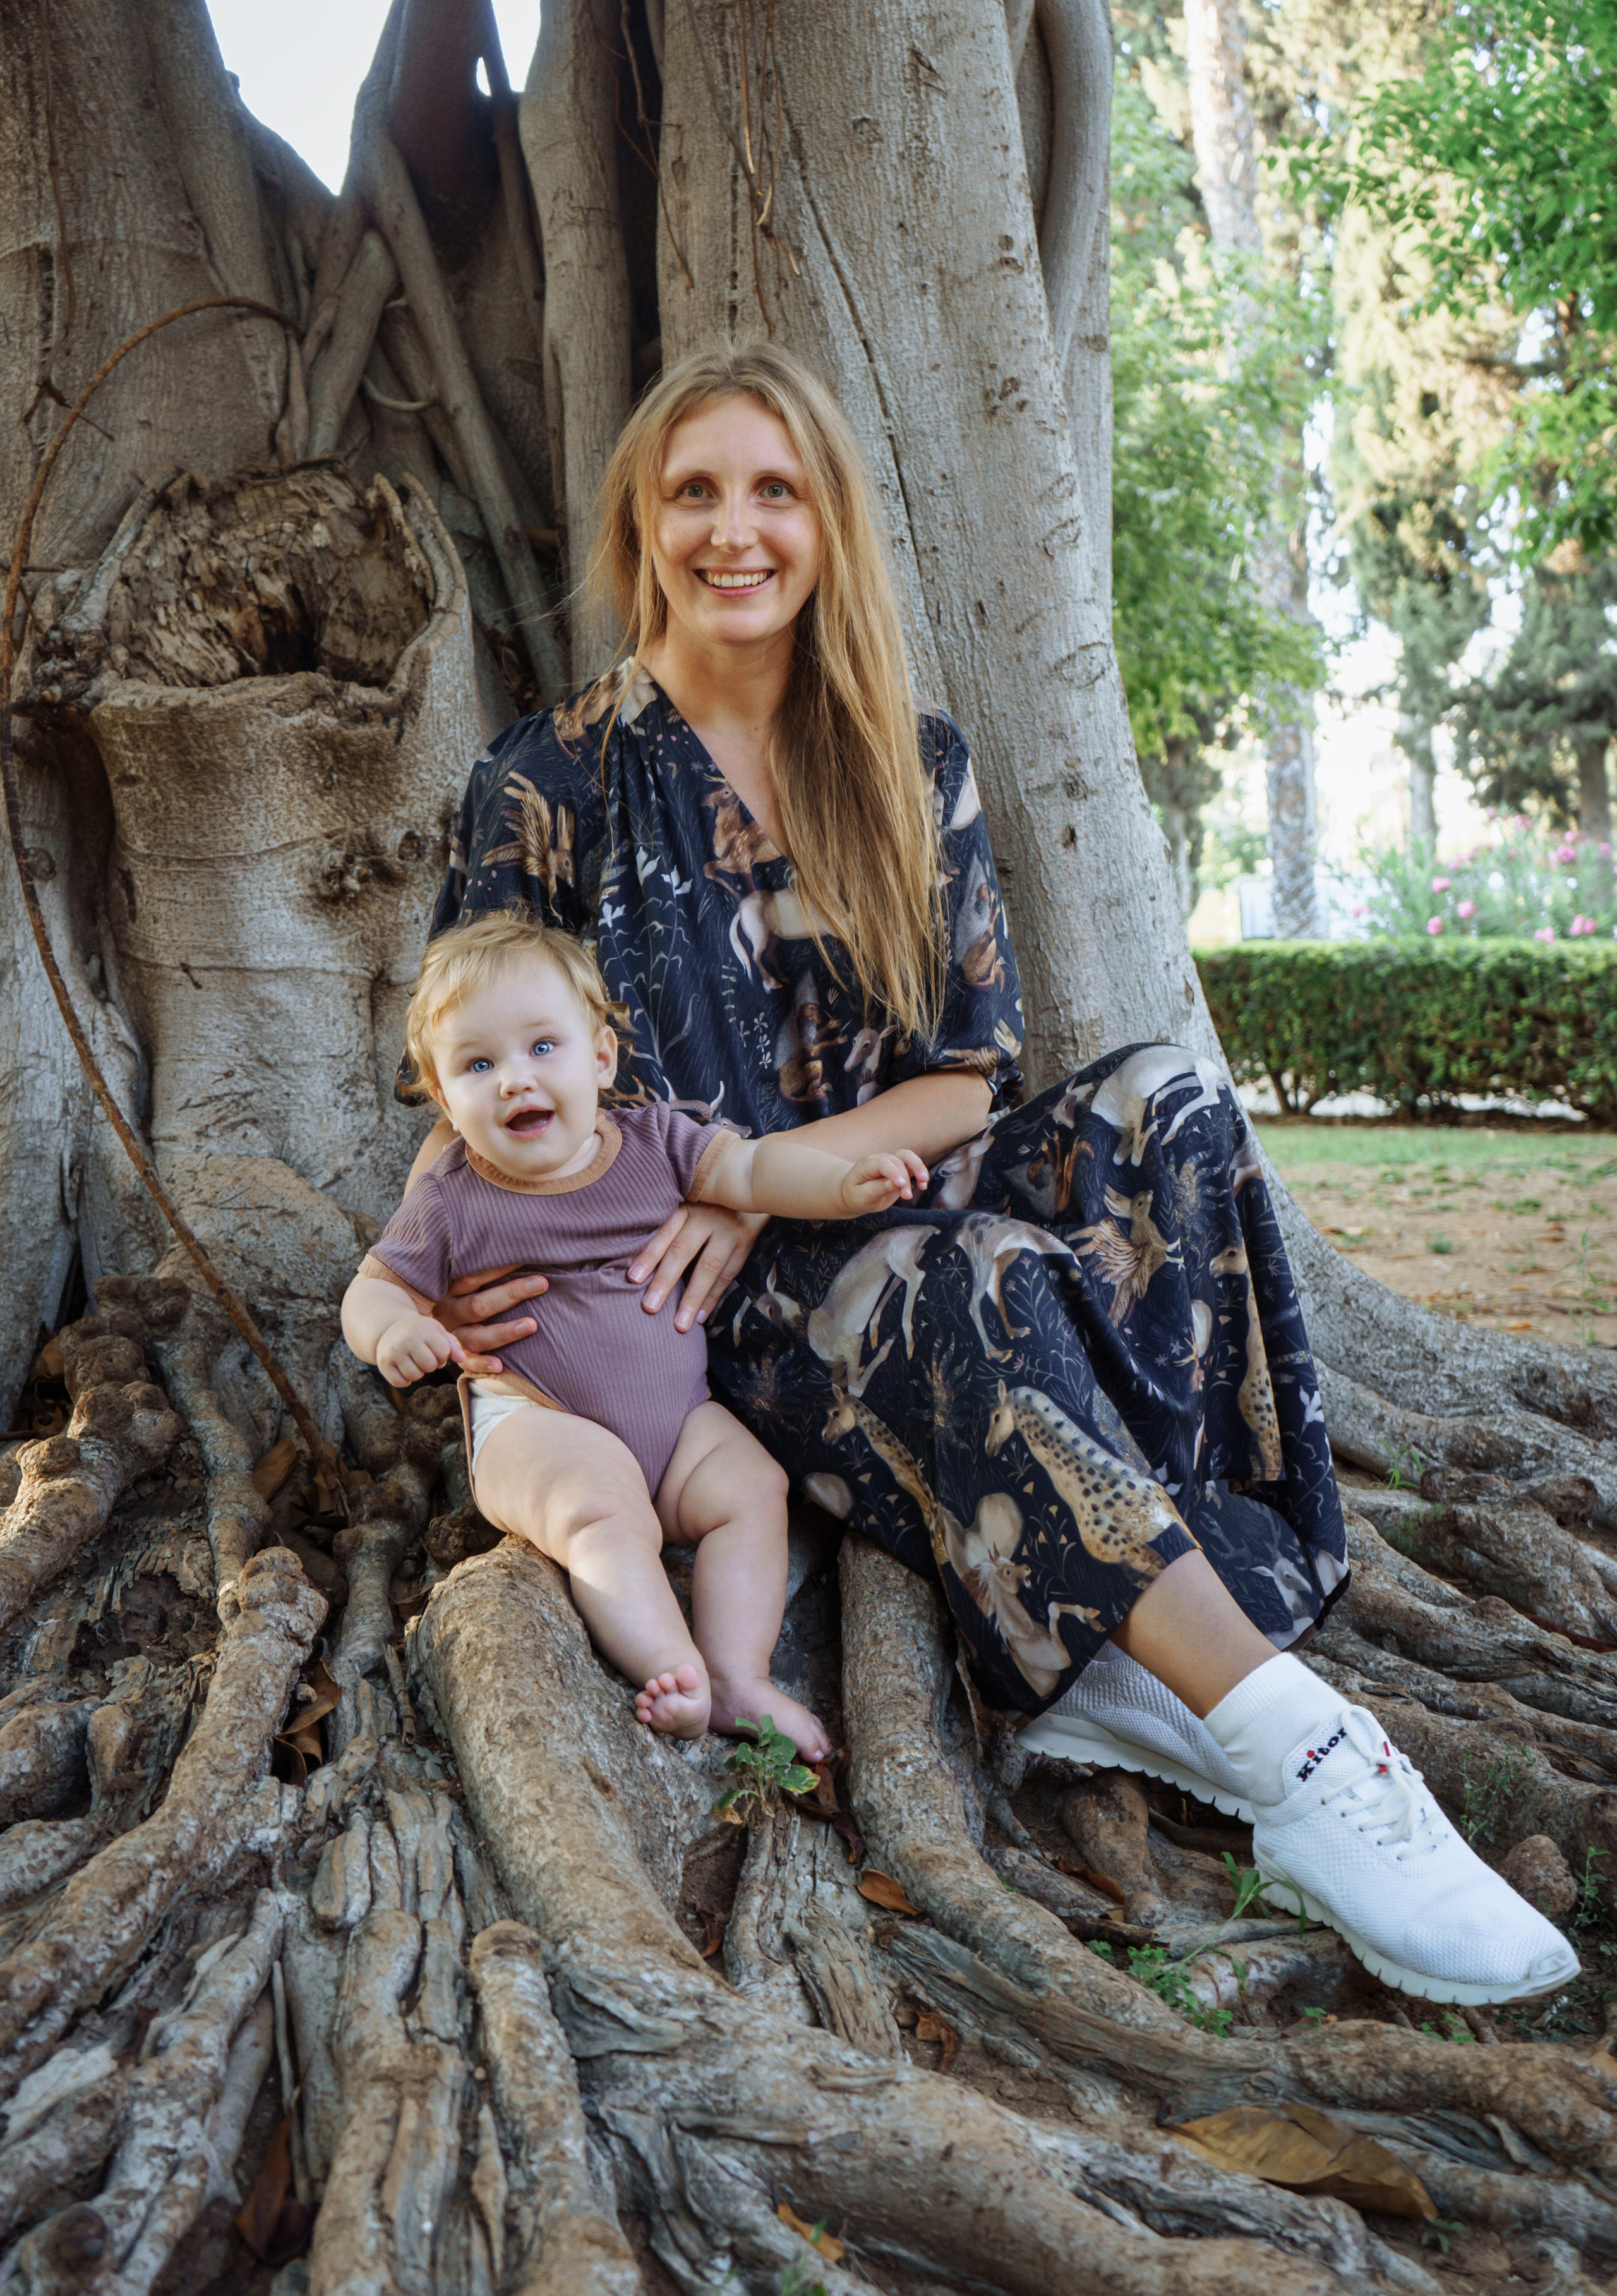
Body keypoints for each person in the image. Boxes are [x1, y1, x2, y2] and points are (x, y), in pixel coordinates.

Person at [402, 339, 1576, 2008]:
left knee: (1170, 1101)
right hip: (695, 1301)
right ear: (639, 524)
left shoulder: (908, 759)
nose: (736, 530)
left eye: (776, 491)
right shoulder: (552, 780)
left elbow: (966, 1077)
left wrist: (779, 1170)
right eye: (695, 493)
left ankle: (1116, 1621)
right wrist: (663, 1214)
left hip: (862, 1201)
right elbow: (472, 1055)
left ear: (828, 525)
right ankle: (1306, 1759)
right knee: (954, 1279)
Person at [344, 912, 930, 1753]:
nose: (515, 1079)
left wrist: (845, 1185)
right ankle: (670, 1665)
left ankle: (736, 1675)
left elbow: (756, 1169)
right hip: (539, 1424)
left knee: (752, 1490)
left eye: (543, 1047)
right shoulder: (451, 1199)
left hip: (679, 1423)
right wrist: (391, 1329)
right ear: (443, 1098)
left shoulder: (656, 1143)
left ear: (601, 1058)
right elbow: (373, 1287)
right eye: (479, 1064)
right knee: (600, 1513)